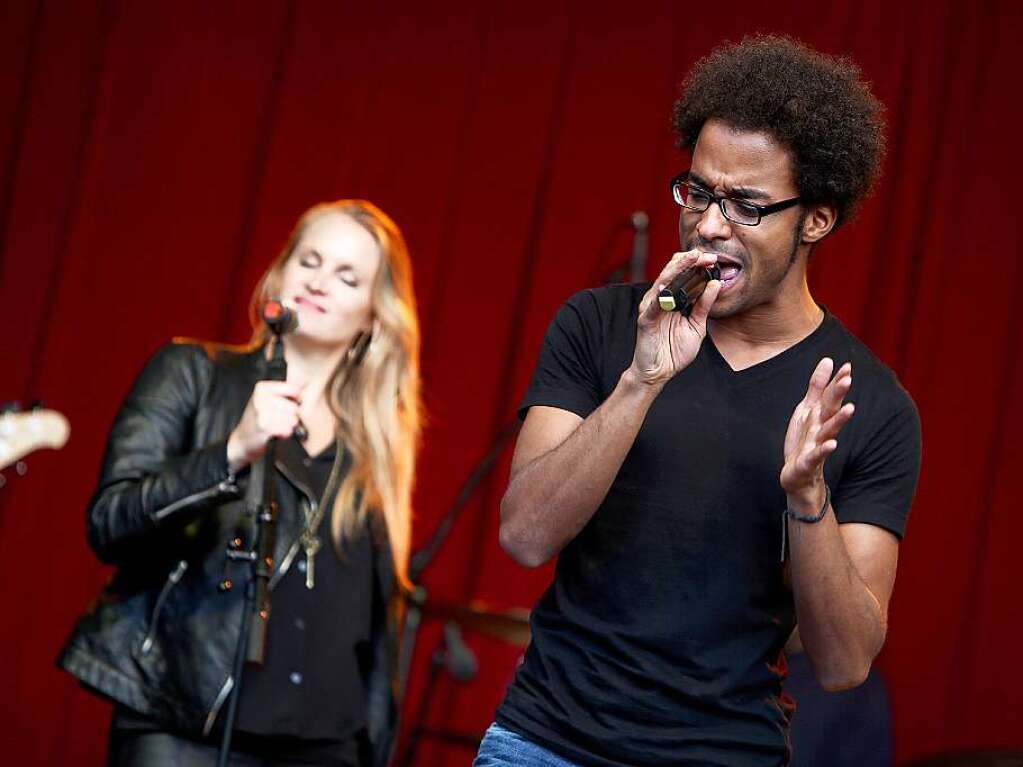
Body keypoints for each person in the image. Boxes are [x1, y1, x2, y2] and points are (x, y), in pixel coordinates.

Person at [474, 35, 921, 767]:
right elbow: (524, 535)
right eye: (698, 192)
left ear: (815, 219)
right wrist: (640, 380)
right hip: (544, 743)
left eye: (745, 205)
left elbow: (843, 662)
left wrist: (807, 495)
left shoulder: (869, 404)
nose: (709, 224)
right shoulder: (601, 325)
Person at [58, 200, 422, 767]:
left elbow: (374, 630)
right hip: (187, 731)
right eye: (310, 261)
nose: (320, 282)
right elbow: (110, 521)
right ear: (280, 274)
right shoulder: (194, 374)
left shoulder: (374, 450)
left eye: (347, 277)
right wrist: (232, 452)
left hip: (325, 748)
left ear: (373, 317)